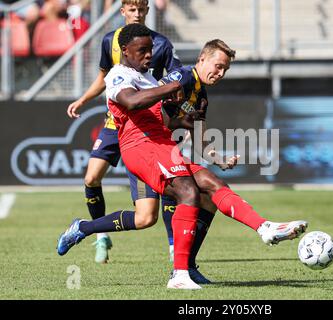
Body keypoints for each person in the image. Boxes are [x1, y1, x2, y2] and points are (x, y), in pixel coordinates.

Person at [56, 23, 309, 290]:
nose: (220, 73)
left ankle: (263, 228)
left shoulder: (186, 91)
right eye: (217, 66)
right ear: (202, 59)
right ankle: (180, 273)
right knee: (187, 193)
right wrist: (175, 102)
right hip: (142, 147)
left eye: (225, 69)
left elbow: (176, 124)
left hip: (162, 145)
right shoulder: (159, 76)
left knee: (206, 188)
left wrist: (213, 153)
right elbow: (134, 103)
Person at [65, 0, 184, 265]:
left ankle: (174, 248)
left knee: (166, 190)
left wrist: (168, 104)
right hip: (116, 122)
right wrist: (83, 99)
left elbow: (176, 74)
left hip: (146, 125)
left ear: (148, 12)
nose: (137, 14)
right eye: (132, 10)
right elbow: (103, 77)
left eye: (141, 10)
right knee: (91, 178)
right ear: (123, 11)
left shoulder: (161, 44)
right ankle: (100, 235)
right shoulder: (110, 41)